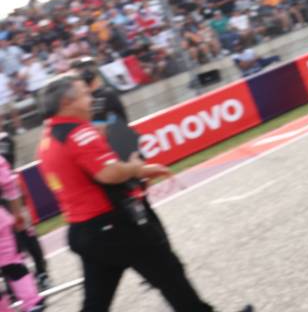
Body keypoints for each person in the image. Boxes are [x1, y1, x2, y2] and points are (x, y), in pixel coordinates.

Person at [36, 74, 253, 312]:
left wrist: (136, 173)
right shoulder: (77, 133)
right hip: (114, 226)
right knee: (170, 275)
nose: (91, 99)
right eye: (85, 95)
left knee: (96, 304)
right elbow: (109, 173)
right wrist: (138, 168)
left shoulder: (47, 140)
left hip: (86, 230)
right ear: (67, 103)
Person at [0, 132, 48, 294]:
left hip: (14, 198)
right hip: (2, 204)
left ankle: (42, 273)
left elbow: (6, 161)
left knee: (27, 235)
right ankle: (12, 287)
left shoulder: (4, 138)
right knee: (8, 247)